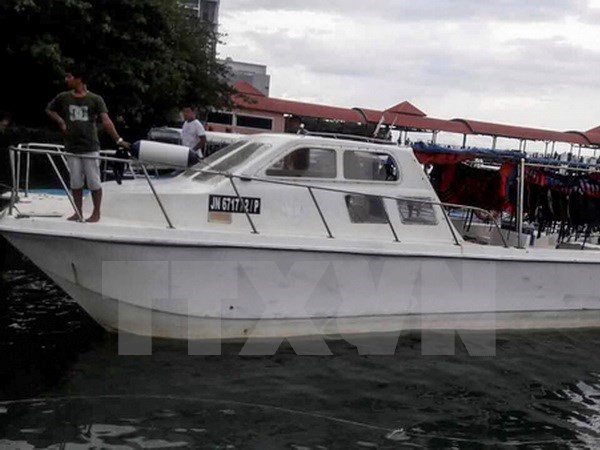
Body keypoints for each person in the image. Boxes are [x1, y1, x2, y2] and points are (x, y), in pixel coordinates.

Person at [46, 65, 129, 223]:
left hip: (90, 146)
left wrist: (118, 139)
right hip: (72, 146)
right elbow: (49, 109)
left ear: (79, 79)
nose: (66, 80)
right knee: (75, 181)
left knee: (93, 180)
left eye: (69, 76)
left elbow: (106, 121)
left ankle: (96, 213)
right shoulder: (63, 97)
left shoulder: (95, 99)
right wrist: (61, 121)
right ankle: (78, 212)